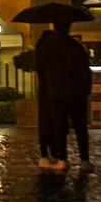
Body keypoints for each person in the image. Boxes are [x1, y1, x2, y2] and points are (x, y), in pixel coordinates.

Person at [35, 21, 94, 173]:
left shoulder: (46, 46)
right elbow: (85, 69)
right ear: (68, 28)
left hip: (56, 93)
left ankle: (63, 160)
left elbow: (40, 69)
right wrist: (86, 89)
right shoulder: (76, 46)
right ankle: (84, 160)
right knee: (80, 127)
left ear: (54, 27)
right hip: (76, 92)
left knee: (59, 127)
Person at [34, 29, 57, 170]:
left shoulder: (39, 55)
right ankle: (54, 153)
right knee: (54, 124)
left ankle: (45, 155)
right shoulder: (50, 56)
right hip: (52, 92)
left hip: (44, 93)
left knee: (45, 124)